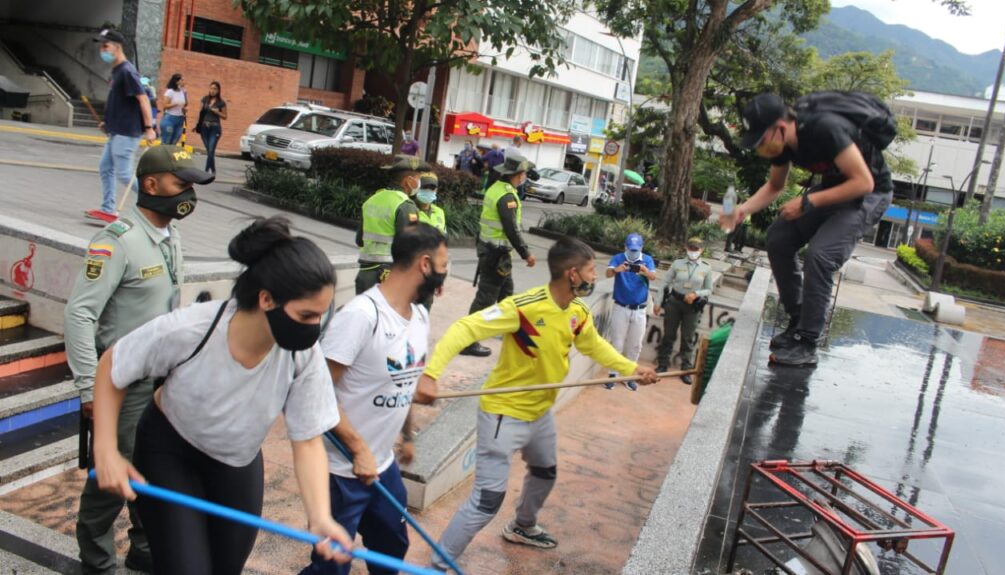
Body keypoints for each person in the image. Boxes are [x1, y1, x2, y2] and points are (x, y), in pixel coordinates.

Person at [91, 216, 352, 574]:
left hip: (237, 462)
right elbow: (112, 366)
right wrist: (105, 449)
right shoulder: (194, 328)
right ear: (266, 299)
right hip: (171, 452)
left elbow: (307, 441)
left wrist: (320, 516)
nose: (314, 328)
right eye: (306, 315)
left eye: (320, 317)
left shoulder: (302, 355)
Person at [415, 238, 660, 569]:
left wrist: (632, 369)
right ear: (573, 274)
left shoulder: (577, 312)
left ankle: (522, 526)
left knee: (545, 472)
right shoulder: (525, 307)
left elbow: (596, 347)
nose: (594, 276)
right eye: (590, 270)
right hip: (504, 415)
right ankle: (438, 563)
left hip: (540, 413)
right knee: (487, 500)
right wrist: (431, 374)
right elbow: (465, 328)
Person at [67, 145, 213, 575]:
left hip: (160, 379)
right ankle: (96, 560)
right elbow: (79, 313)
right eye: (180, 182)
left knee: (156, 468)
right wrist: (87, 386)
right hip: (121, 382)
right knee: (111, 476)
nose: (188, 191)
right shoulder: (117, 242)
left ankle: (145, 548)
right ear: (151, 185)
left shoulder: (170, 237)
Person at [299, 222, 447, 575]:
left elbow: (403, 382)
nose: (444, 275)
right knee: (332, 566)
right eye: (443, 266)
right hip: (341, 471)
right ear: (424, 264)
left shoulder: (420, 317)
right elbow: (315, 391)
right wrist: (357, 448)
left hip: (383, 466)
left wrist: (406, 436)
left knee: (392, 547)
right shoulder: (362, 316)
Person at [726, 93, 893, 365]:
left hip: (869, 193)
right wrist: (743, 209)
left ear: (780, 126)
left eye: (762, 139)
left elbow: (863, 183)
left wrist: (807, 202)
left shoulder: (824, 127)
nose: (761, 147)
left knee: (821, 254)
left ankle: (807, 341)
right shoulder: (784, 144)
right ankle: (798, 317)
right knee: (779, 238)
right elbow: (775, 186)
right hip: (834, 189)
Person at [461, 156, 537, 357]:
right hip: (496, 254)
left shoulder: (495, 188)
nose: (525, 177)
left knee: (506, 293)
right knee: (486, 298)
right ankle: (468, 341)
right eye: (524, 173)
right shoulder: (507, 197)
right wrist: (526, 253)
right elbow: (511, 229)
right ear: (519, 175)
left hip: (494, 252)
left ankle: (511, 331)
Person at [89, 28, 156, 223]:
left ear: (117, 48)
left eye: (105, 46)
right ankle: (108, 209)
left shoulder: (127, 71)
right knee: (105, 168)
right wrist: (107, 122)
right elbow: (120, 102)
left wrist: (149, 128)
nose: (103, 50)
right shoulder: (117, 70)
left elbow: (143, 99)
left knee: (125, 174)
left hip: (127, 132)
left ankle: (153, 201)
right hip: (116, 130)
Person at [354, 156, 431, 295]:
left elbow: (359, 240)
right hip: (388, 276)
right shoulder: (404, 205)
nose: (419, 182)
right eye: (418, 178)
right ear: (408, 181)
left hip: (364, 274)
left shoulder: (372, 200)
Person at [604, 233, 657, 391]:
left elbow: (653, 277)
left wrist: (645, 271)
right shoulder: (618, 258)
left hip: (639, 309)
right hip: (621, 307)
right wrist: (617, 270)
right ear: (625, 247)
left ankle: (630, 376)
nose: (633, 252)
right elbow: (607, 273)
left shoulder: (647, 259)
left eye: (636, 249)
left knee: (635, 345)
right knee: (617, 343)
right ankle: (613, 374)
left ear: (641, 247)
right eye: (630, 249)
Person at [656, 237, 712, 384]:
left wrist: (696, 294)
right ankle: (662, 364)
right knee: (668, 334)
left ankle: (686, 370)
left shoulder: (706, 268)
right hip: (674, 302)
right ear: (686, 248)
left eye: (696, 249)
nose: (693, 252)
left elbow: (709, 290)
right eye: (691, 248)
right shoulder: (677, 264)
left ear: (702, 250)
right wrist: (657, 302)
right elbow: (665, 282)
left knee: (688, 338)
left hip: (692, 307)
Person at [413, 173, 446, 310]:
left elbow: (442, 247)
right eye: (425, 187)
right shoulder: (410, 210)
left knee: (423, 314)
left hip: (429, 274)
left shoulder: (439, 212)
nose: (429, 191)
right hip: (412, 271)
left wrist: (439, 278)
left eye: (432, 188)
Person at [196, 81, 227, 175]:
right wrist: (198, 125)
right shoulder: (204, 99)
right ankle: (213, 170)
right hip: (204, 127)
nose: (212, 90)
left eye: (215, 89)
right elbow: (200, 113)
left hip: (215, 128)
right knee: (210, 151)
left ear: (218, 90)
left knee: (210, 150)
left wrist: (217, 111)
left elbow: (225, 116)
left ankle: (206, 172)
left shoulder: (221, 103)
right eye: (211, 88)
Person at [159, 73, 187, 146]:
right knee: (166, 141)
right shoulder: (170, 91)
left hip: (180, 119)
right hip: (170, 118)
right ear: (177, 81)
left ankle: (169, 157)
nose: (184, 81)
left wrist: (184, 109)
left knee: (174, 142)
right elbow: (165, 106)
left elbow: (185, 104)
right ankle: (162, 156)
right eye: (182, 80)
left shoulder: (183, 92)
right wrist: (175, 104)